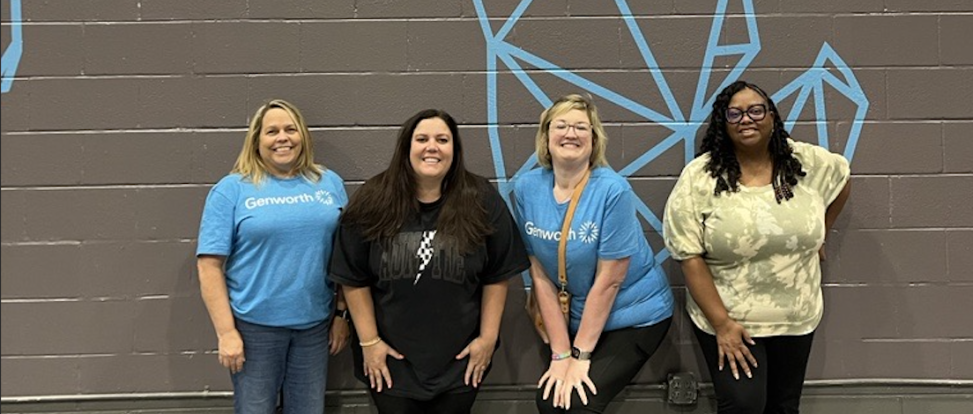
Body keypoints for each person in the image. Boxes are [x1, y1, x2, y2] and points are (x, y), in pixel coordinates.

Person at [663, 80, 852, 414]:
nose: (746, 119)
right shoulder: (700, 177)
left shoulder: (805, 163)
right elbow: (688, 256)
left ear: (772, 117)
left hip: (796, 316)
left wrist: (821, 233)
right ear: (723, 124)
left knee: (783, 406)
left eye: (755, 110)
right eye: (734, 114)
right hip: (729, 318)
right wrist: (722, 325)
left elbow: (842, 178)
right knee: (744, 405)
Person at [329, 109, 530, 414]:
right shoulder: (373, 198)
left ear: (455, 149)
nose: (432, 147)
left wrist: (487, 340)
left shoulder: (481, 199)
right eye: (422, 139)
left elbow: (497, 274)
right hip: (390, 361)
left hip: (460, 363)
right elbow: (353, 277)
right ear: (406, 147)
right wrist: (369, 343)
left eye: (442, 140)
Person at [513, 93, 674, 412]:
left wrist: (581, 356)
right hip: (577, 316)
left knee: (575, 403)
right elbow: (539, 274)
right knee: (549, 402)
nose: (570, 133)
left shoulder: (613, 190)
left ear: (594, 139)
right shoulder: (526, 188)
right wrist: (561, 354)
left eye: (581, 127)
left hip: (634, 315)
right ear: (546, 137)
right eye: (561, 125)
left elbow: (610, 281)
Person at [196, 99, 350, 414]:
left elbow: (346, 257)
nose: (283, 138)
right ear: (257, 140)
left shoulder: (330, 183)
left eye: (290, 129)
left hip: (314, 326)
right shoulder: (232, 190)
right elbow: (209, 266)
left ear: (303, 136)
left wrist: (341, 315)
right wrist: (226, 333)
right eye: (272, 131)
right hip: (255, 329)